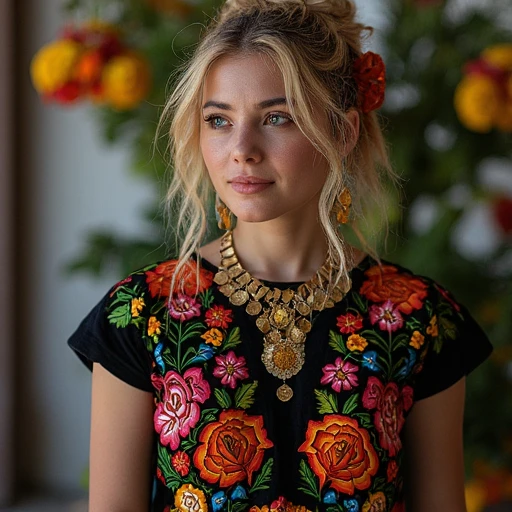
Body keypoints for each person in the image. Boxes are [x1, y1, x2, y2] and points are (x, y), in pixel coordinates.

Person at [68, 0, 493, 510]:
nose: (242, 148)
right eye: (219, 121)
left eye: (276, 117)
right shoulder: (141, 316)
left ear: (343, 130)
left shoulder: (417, 320)